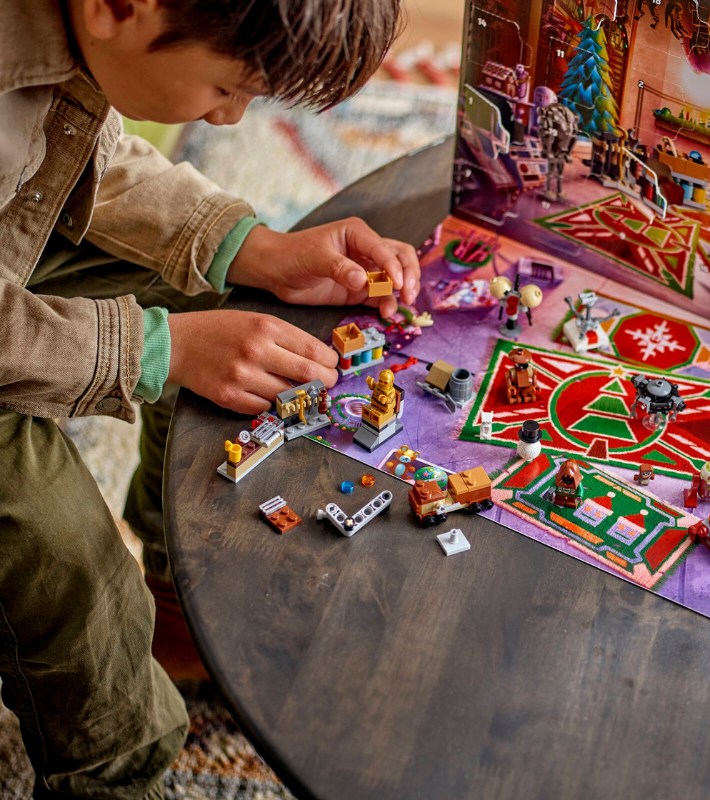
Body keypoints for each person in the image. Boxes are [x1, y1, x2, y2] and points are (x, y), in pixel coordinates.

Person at [0, 0, 419, 795]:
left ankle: (177, 598)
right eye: (228, 89)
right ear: (118, 7)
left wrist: (255, 249)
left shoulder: (76, 36)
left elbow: (79, 149)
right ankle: (113, 771)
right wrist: (156, 349)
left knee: (219, 302)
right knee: (74, 577)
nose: (230, 121)